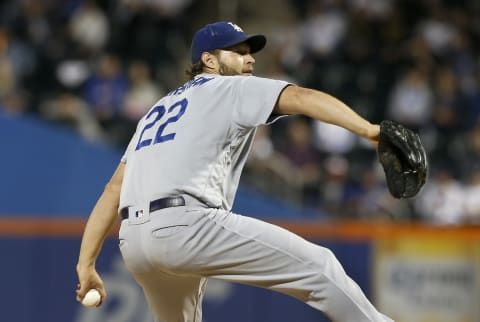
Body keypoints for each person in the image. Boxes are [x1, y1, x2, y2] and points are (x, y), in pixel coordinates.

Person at [76, 21, 393, 322]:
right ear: (209, 60)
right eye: (238, 52)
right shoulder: (228, 87)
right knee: (319, 267)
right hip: (186, 226)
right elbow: (302, 97)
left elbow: (114, 190)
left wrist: (86, 264)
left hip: (134, 242)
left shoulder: (155, 111)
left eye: (250, 52)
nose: (249, 60)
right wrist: (369, 130)